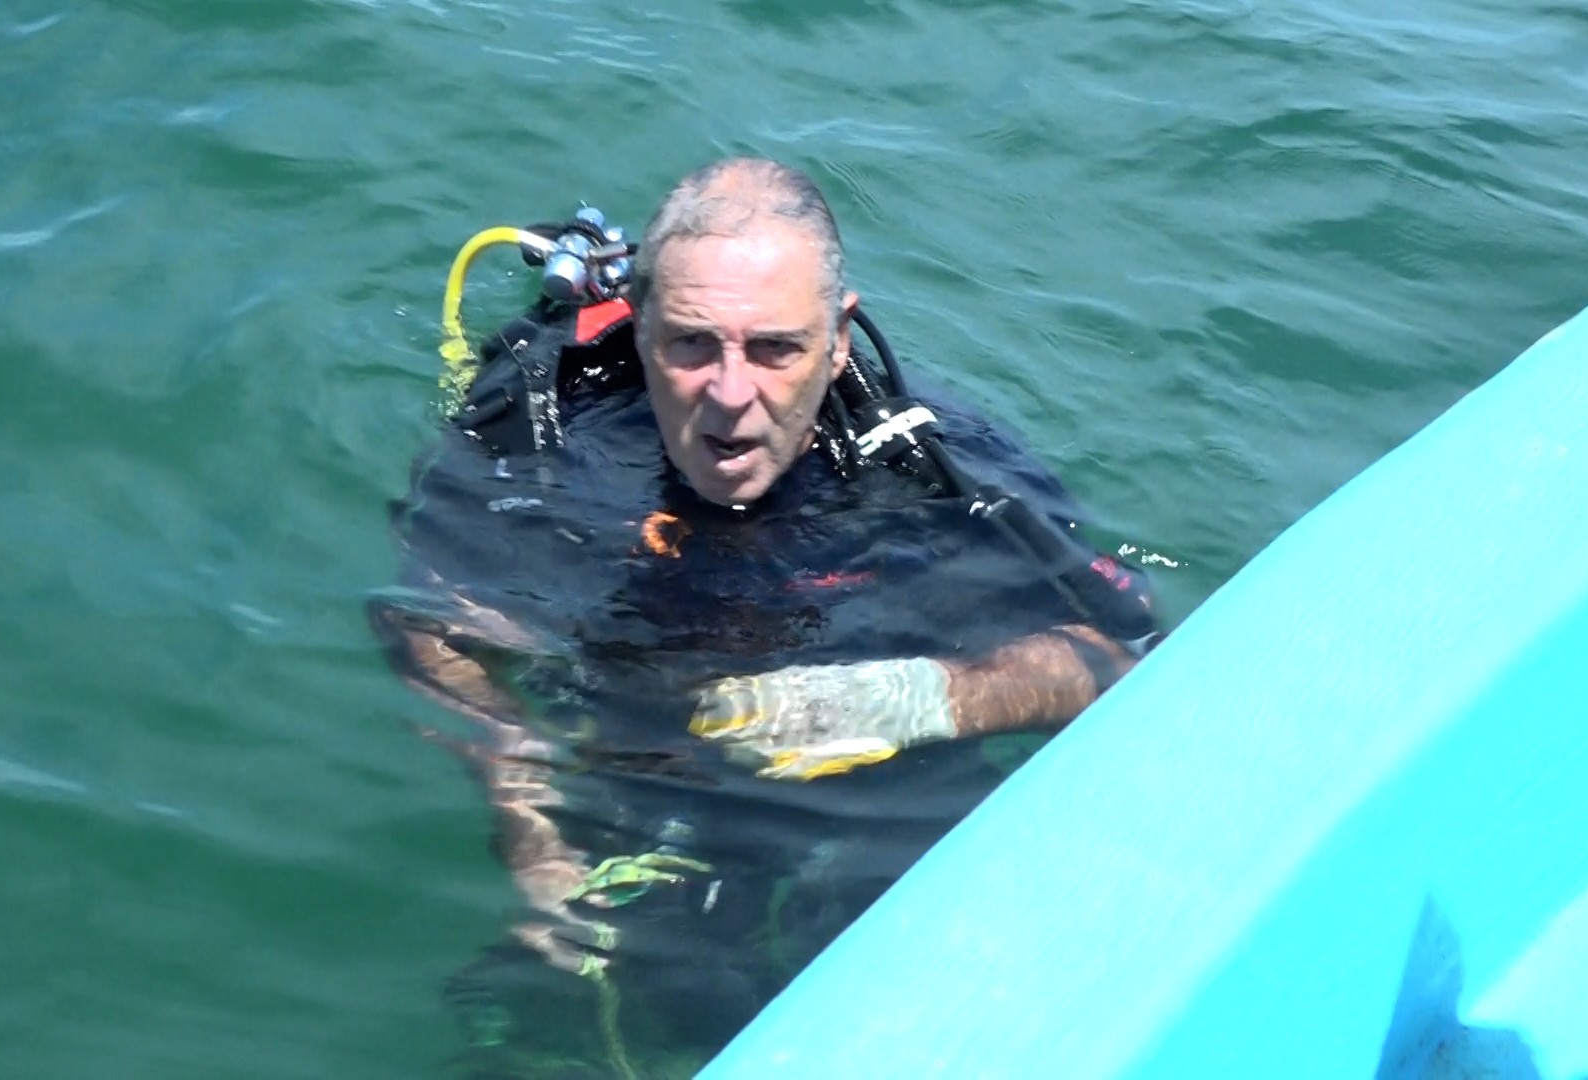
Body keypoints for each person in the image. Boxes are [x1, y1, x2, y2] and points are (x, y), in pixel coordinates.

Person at [370, 158, 1162, 1076]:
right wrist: (529, 817)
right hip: (644, 759)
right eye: (692, 345)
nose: (731, 392)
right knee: (641, 996)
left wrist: (928, 697)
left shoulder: (936, 476)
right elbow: (431, 623)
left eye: (777, 349)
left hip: (882, 767)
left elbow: (1125, 658)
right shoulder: (545, 448)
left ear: (835, 345)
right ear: (641, 327)